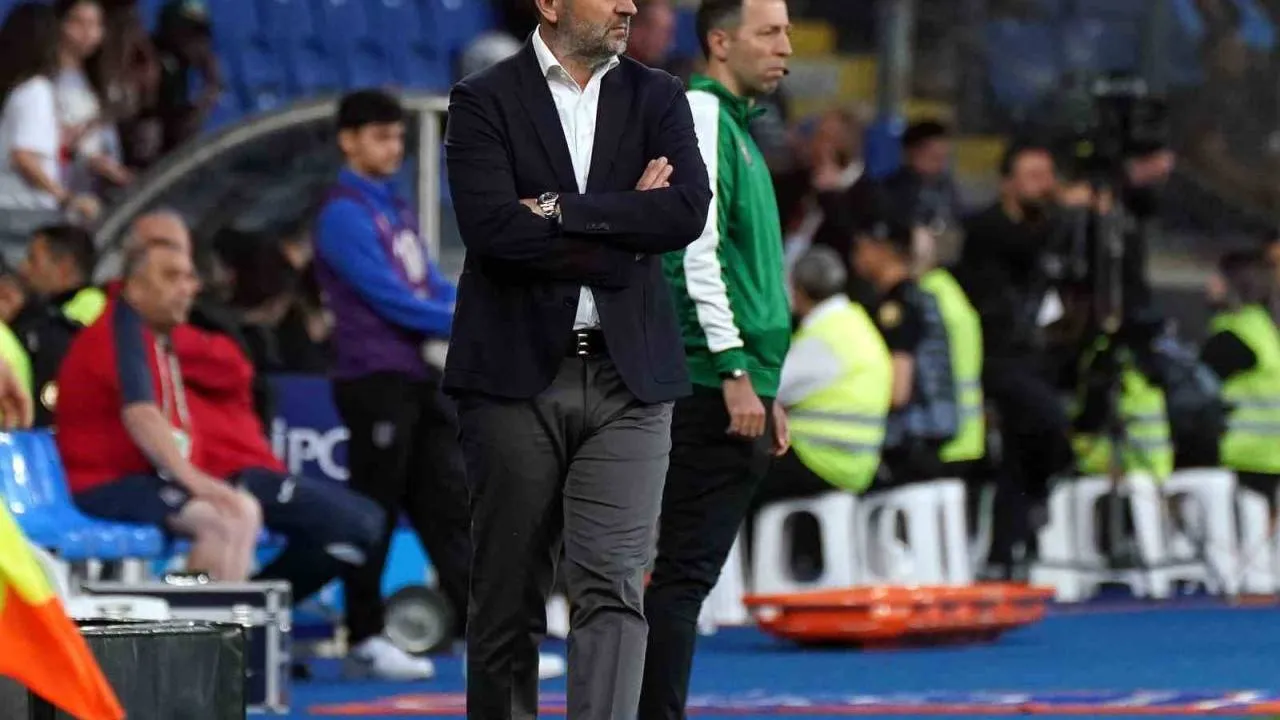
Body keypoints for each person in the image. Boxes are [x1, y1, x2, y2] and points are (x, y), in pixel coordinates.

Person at [443, 0, 712, 714]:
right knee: (507, 596)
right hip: (513, 379)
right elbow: (493, 230)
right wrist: (626, 226)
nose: (630, 5)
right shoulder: (482, 99)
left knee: (615, 589)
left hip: (630, 379)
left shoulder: (659, 95)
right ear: (550, 4)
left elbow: (685, 212)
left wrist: (559, 209)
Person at [642, 1, 793, 717]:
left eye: (787, 32)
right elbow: (693, 254)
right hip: (708, 381)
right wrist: (735, 370)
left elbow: (735, 268)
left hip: (731, 379)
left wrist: (764, 382)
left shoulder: (735, 128)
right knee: (679, 580)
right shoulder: (704, 117)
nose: (785, 47)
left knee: (680, 579)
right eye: (769, 32)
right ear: (720, 42)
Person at [312, 89, 493, 682]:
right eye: (381, 137)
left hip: (413, 378)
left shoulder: (392, 207)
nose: (394, 148)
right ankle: (364, 637)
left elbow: (427, 285)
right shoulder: (343, 214)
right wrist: (467, 319)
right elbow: (391, 299)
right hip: (373, 381)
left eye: (397, 137)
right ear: (349, 141)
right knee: (373, 511)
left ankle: (485, 637)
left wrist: (474, 304)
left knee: (448, 505)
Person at [55, 238, 262, 581]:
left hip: (137, 481)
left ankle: (223, 610)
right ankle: (198, 615)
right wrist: (197, 482)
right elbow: (141, 416)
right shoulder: (121, 332)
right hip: (102, 484)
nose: (186, 288)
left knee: (244, 510)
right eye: (170, 276)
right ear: (135, 287)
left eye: (189, 277)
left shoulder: (151, 335)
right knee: (221, 520)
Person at [954, 141, 1075, 578]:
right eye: (1033, 176)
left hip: (1038, 356)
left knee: (1021, 454)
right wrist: (1067, 208)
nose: (1045, 186)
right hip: (996, 356)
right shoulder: (988, 229)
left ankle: (1004, 552)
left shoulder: (1050, 229)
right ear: (1007, 183)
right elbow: (1022, 248)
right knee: (1049, 421)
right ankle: (1032, 509)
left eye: (1049, 175)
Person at [751, 245, 891, 507]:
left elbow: (768, 389)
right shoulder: (854, 323)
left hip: (821, 460)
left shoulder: (825, 336)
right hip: (856, 462)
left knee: (732, 468)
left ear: (797, 290)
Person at [852, 201, 957, 483]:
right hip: (928, 429)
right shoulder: (917, 297)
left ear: (882, 249)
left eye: (862, 246)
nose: (857, 255)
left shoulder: (898, 306)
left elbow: (898, 389)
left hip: (910, 437)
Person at [19, 223, 105, 325]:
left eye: (33, 260)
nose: (22, 267)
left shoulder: (78, 319)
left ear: (64, 269)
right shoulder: (54, 307)